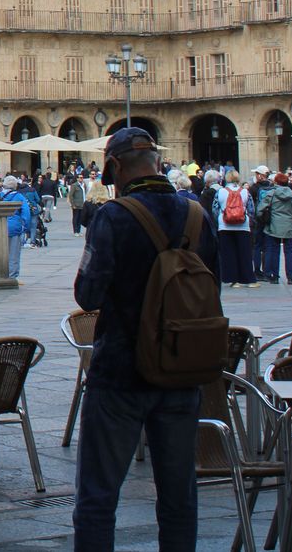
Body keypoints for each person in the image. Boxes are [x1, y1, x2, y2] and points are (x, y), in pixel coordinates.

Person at [73, 127, 218, 552]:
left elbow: (88, 294)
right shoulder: (197, 214)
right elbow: (213, 288)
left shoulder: (113, 216)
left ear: (115, 166)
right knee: (178, 495)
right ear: (156, 163)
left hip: (121, 372)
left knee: (98, 496)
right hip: (180, 370)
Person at [212, 169, 259, 288]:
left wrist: (220, 220)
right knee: (245, 252)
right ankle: (248, 279)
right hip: (243, 225)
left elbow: (215, 209)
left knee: (228, 253)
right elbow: (251, 209)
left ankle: (233, 280)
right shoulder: (245, 192)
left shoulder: (220, 191)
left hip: (225, 225)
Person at [259, 172, 292, 285]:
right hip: (289, 226)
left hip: (274, 225)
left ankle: (275, 276)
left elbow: (260, 210)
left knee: (274, 250)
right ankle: (290, 277)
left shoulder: (271, 194)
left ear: (276, 182)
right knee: (289, 251)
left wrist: (264, 221)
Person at [2, 175, 31, 278]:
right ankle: (12, 276)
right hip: (14, 227)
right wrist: (25, 227)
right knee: (13, 254)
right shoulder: (19, 197)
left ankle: (2, 273)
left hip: (0, 227)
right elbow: (26, 213)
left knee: (1, 253)